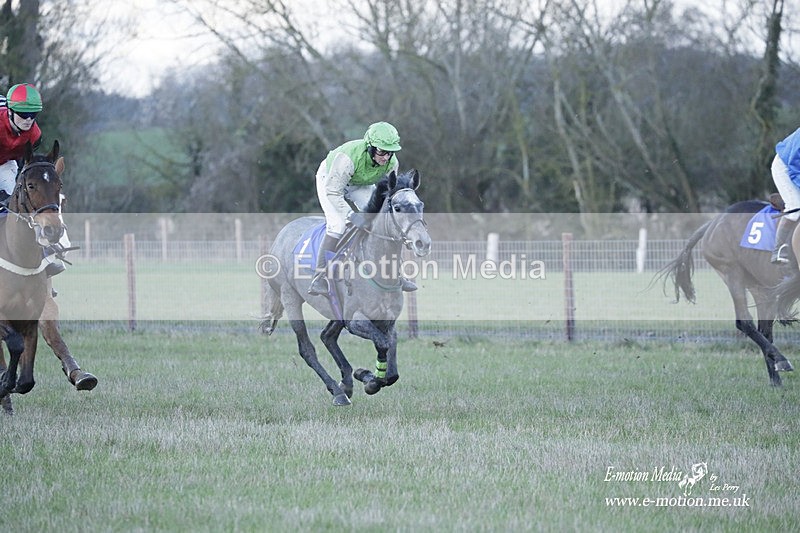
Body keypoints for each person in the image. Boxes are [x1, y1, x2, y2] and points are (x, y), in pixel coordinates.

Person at [308, 121, 416, 295]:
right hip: (331, 180)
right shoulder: (348, 159)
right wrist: (351, 215)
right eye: (381, 151)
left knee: (382, 221)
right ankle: (319, 277)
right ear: (370, 147)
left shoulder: (392, 163)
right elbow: (333, 192)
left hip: (359, 183)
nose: (385, 157)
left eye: (390, 152)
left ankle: (397, 273)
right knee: (338, 225)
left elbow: (389, 194)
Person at [0, 83, 66, 276]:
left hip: (6, 163)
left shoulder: (35, 135)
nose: (28, 120)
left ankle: (45, 255)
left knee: (19, 205)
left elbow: (25, 162)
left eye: (33, 115)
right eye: (23, 114)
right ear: (11, 111)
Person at [771, 126, 800, 263]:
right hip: (785, 167)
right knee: (795, 208)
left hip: (794, 166)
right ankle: (778, 250)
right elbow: (794, 168)